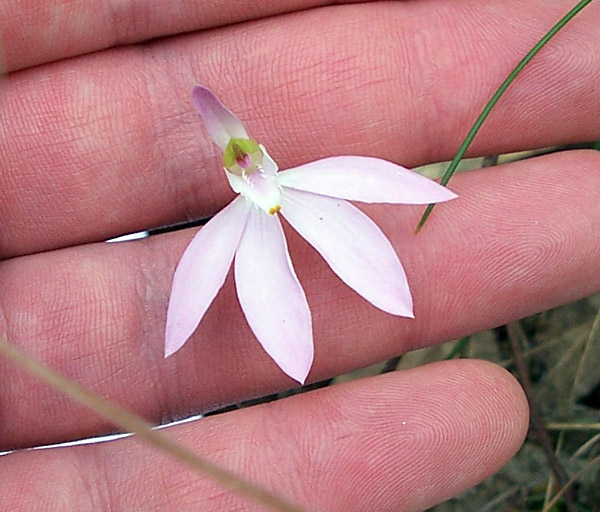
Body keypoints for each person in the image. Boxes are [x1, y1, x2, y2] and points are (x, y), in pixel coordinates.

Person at [0, 0, 598, 510]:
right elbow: (194, 301)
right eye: (237, 162)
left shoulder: (322, 179)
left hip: (308, 193)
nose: (246, 167)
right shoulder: (223, 234)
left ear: (252, 149)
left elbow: (394, 191)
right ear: (233, 165)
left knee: (371, 268)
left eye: (245, 156)